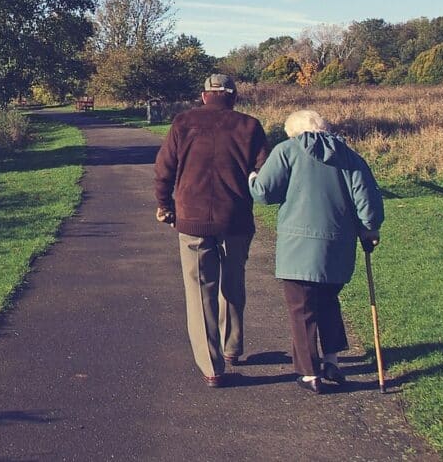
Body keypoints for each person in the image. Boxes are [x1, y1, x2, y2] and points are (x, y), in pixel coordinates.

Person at [249, 109, 384, 394]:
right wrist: (370, 229)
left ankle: (309, 373)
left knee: (302, 309)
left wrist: (252, 178)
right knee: (328, 301)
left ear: (294, 132)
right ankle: (332, 360)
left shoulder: (287, 151)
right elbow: (367, 202)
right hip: (338, 246)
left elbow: (264, 193)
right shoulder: (350, 156)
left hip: (297, 247)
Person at [154, 73, 269, 387]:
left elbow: (164, 167)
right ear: (233, 97)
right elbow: (264, 172)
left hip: (192, 219)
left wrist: (165, 204)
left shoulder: (183, 123)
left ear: (204, 96)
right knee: (233, 282)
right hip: (236, 219)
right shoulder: (250, 126)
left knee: (200, 292)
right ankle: (232, 347)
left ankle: (212, 367)